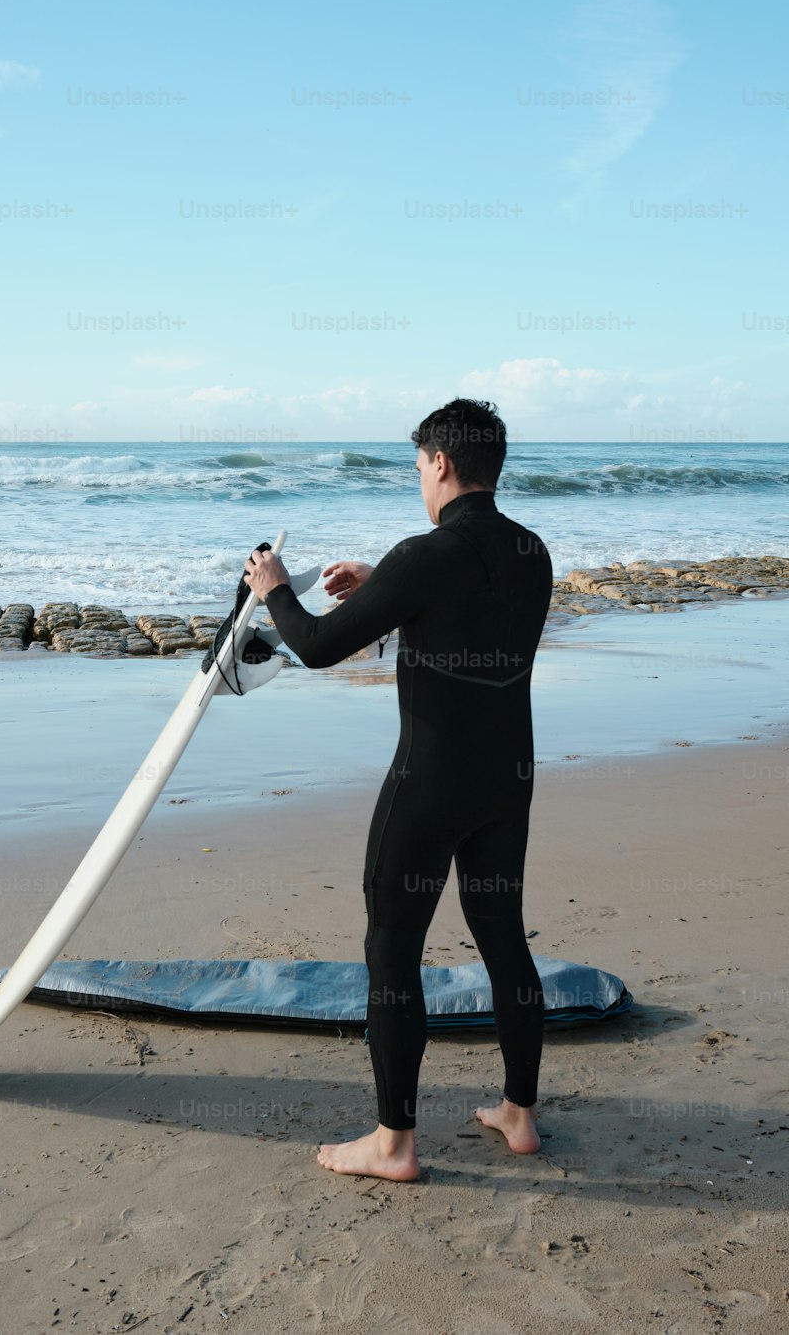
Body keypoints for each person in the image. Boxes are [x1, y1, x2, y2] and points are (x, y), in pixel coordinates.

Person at [242, 398, 553, 1180]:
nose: (420, 479)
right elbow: (473, 612)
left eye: (419, 466)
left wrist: (274, 585)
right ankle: (520, 1115)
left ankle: (393, 1143)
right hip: (506, 778)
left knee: (393, 950)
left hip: (430, 785)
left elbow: (313, 647)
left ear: (441, 463)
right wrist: (385, 584)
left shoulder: (423, 556)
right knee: (504, 939)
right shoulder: (531, 552)